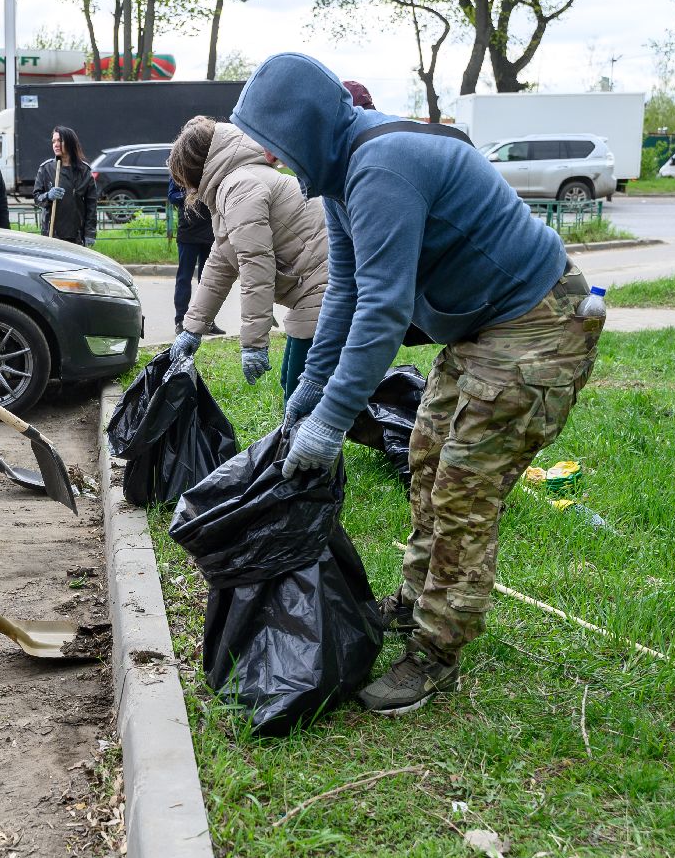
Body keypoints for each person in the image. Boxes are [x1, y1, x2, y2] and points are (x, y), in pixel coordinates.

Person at [231, 52, 602, 715]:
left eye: (278, 143)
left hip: (538, 323)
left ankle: (435, 654)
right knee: (426, 456)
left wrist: (331, 423)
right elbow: (344, 289)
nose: (274, 158)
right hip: (483, 326)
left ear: (307, 126)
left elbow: (383, 309)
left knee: (464, 486)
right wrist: (309, 392)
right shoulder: (346, 171)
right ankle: (412, 601)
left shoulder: (382, 168)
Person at [167, 117, 328, 398]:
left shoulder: (239, 187)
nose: (187, 190)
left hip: (325, 283)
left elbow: (256, 264)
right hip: (316, 284)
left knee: (302, 390)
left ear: (195, 170)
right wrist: (192, 329)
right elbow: (220, 264)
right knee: (292, 383)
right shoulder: (233, 183)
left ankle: (315, 439)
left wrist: (253, 343)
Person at [166, 177, 219, 335]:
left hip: (209, 232)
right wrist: (189, 194)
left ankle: (207, 321)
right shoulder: (180, 170)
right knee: (184, 277)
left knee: (207, 280)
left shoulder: (211, 167)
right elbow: (172, 196)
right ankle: (180, 320)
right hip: (187, 232)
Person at [33, 125, 96, 247]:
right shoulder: (46, 169)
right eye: (53, 141)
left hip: (77, 236)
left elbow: (91, 206)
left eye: (60, 141)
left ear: (70, 143)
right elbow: (37, 198)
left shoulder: (84, 171)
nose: (56, 144)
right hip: (52, 235)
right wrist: (48, 196)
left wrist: (90, 233)